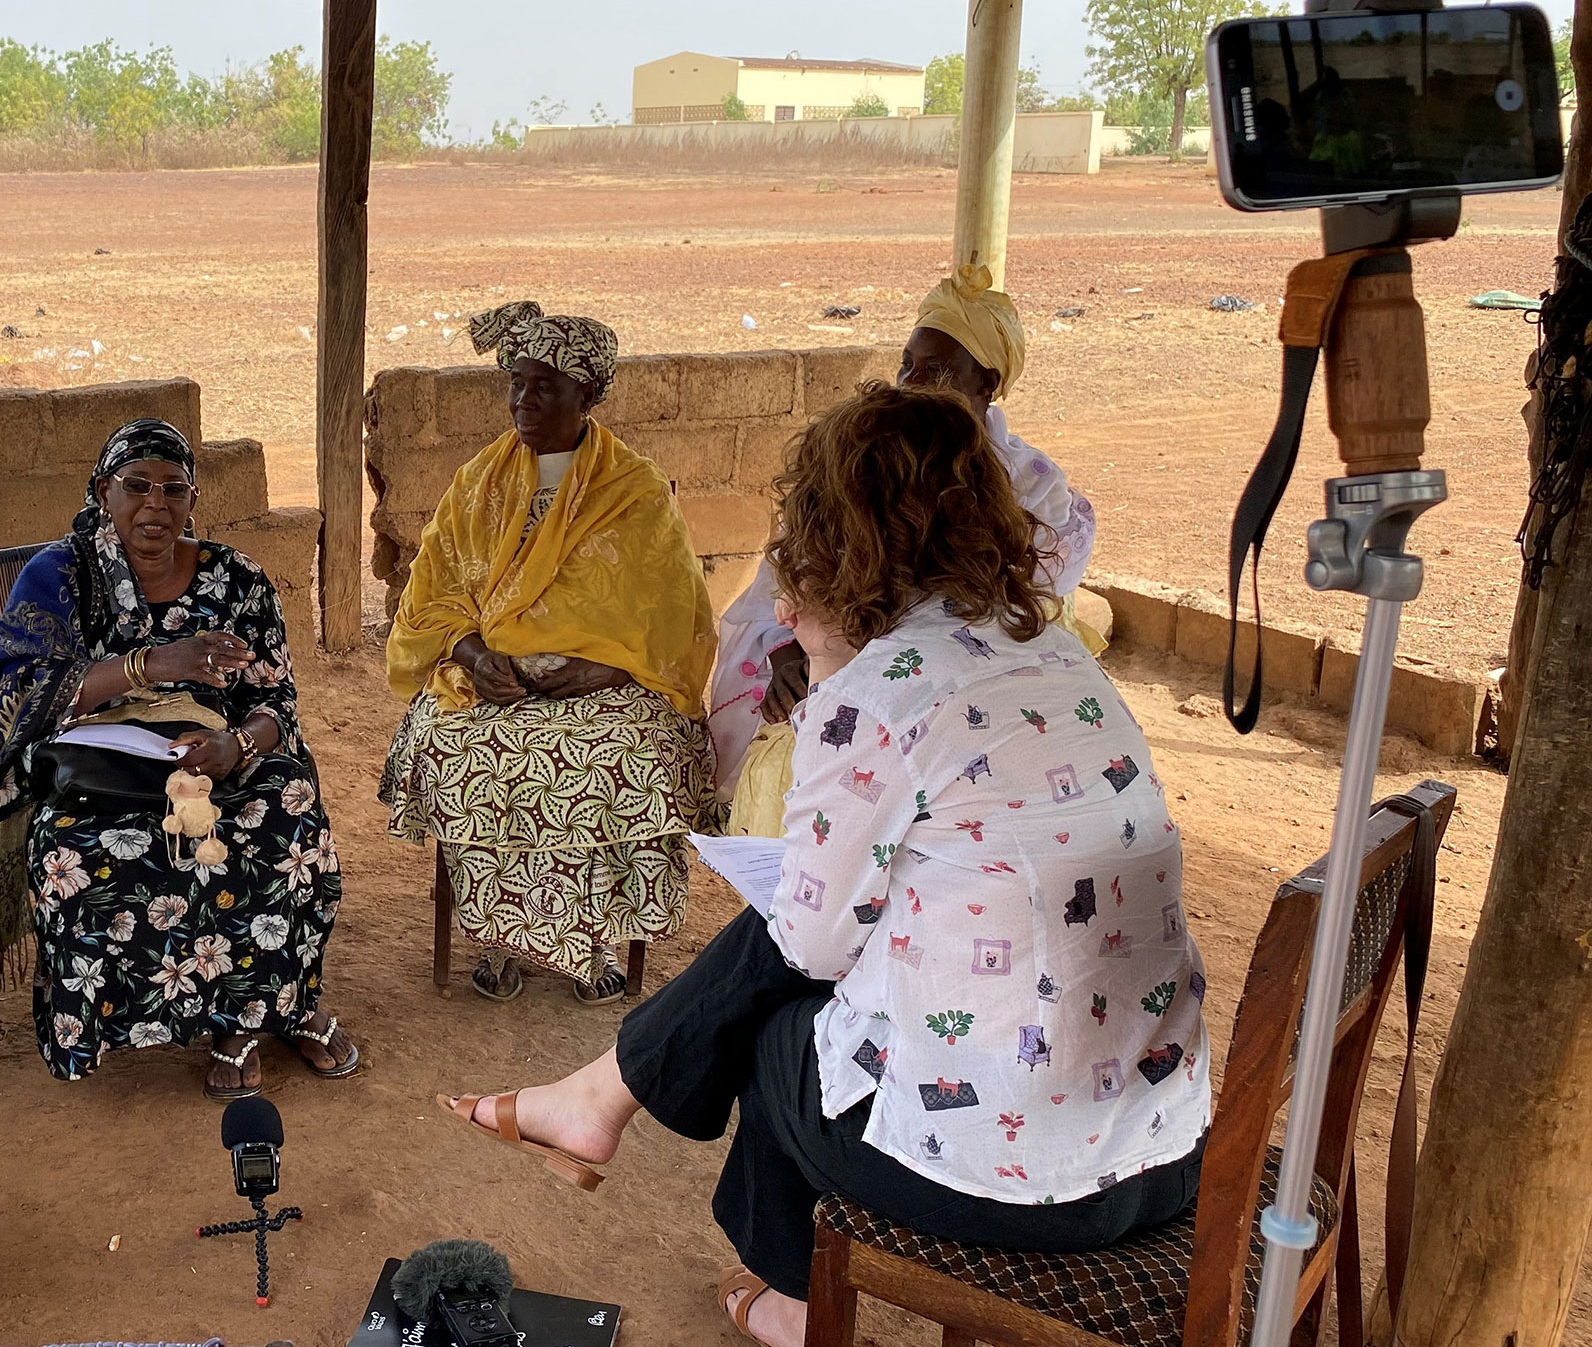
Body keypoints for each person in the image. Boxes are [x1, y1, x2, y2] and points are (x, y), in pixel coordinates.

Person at [438, 386, 1209, 1347]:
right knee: (820, 990)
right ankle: (599, 1099)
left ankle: (794, 1299)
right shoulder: (1051, 650)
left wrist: (833, 681)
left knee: (785, 1038)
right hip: (1167, 1146)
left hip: (1027, 1184)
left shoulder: (882, 692)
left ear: (832, 533)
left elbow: (812, 940)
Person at [0, 419, 358, 1097]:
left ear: (193, 500)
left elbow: (277, 704)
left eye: (175, 489)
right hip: (102, 764)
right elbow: (15, 695)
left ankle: (257, 1014)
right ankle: (117, 1016)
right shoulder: (60, 574)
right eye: (136, 486)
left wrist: (238, 747)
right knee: (72, 849)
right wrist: (151, 664)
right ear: (102, 492)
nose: (156, 504)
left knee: (285, 816)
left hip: (215, 757)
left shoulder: (238, 580)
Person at [378, 300, 722, 1004]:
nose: (523, 401)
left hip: (606, 685)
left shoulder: (636, 491)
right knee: (461, 748)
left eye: (544, 386)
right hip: (490, 676)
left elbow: (671, 613)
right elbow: (432, 594)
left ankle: (591, 945)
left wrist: (606, 668)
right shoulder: (478, 483)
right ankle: (498, 939)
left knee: (620, 758)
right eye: (516, 384)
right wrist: (474, 656)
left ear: (588, 395)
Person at [708, 269, 1101, 837]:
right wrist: (790, 649)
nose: (913, 382)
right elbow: (792, 584)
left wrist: (842, 660)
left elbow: (974, 621)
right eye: (907, 363)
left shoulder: (1029, 488)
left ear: (986, 384)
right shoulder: (866, 462)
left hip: (944, 689)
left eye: (936, 370)